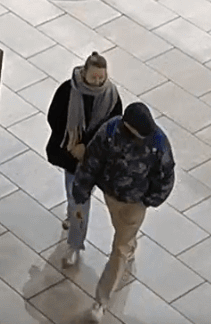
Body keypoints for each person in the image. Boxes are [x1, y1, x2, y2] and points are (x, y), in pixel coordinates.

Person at [71, 103, 175, 323]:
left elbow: (166, 175)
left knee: (119, 248)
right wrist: (81, 191)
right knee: (124, 240)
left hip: (134, 203)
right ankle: (129, 248)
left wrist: (149, 200)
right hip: (110, 194)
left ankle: (101, 302)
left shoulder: (158, 143)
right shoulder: (110, 132)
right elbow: (92, 161)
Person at [45, 53, 123, 269]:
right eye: (94, 77)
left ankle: (75, 235)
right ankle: (74, 232)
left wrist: (86, 146)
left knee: (80, 199)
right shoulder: (67, 90)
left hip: (95, 160)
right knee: (76, 197)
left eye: (101, 77)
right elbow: (54, 118)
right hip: (70, 157)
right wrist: (73, 143)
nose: (98, 82)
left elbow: (113, 127)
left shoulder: (112, 96)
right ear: (84, 73)